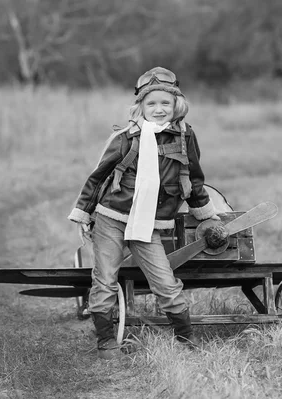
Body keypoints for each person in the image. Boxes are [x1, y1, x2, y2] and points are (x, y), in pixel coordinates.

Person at [68, 66, 219, 359]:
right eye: (152, 103)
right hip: (111, 218)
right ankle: (106, 342)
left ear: (177, 104)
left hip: (148, 224)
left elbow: (194, 178)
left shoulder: (186, 136)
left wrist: (206, 214)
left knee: (165, 281)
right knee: (106, 279)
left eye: (165, 103)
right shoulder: (126, 137)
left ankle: (186, 339)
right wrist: (83, 214)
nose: (159, 109)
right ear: (141, 106)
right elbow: (97, 177)